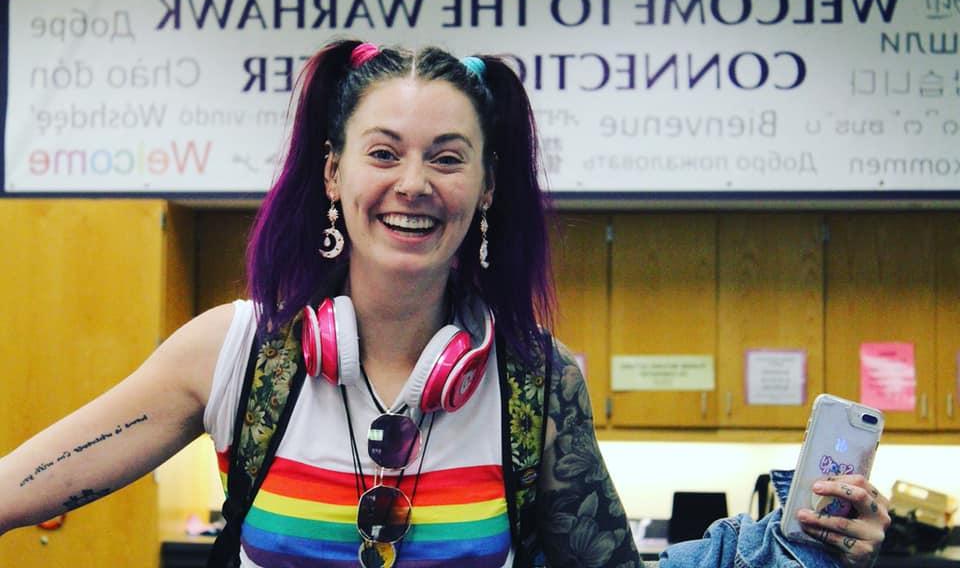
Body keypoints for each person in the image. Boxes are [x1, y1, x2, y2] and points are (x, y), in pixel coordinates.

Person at [0, 40, 890, 568]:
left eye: (448, 157)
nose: (413, 184)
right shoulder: (235, 351)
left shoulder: (536, 381)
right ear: (333, 174)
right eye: (383, 152)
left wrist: (789, 539)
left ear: (488, 186)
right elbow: (29, 480)